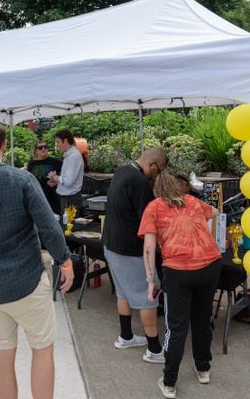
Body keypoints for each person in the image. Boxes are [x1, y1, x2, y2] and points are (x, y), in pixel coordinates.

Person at [0, 120, 75, 399]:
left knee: (2, 354)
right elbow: (49, 227)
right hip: (28, 280)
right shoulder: (21, 180)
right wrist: (65, 261)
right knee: (42, 349)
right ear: (4, 145)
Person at [139, 172, 222, 397]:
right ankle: (203, 369)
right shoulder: (193, 201)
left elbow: (148, 248)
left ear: (156, 190)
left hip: (178, 270)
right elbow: (215, 211)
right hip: (210, 264)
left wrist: (149, 281)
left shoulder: (154, 207)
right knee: (202, 320)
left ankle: (169, 382)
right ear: (178, 188)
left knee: (176, 328)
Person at [101, 147, 168, 364]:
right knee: (148, 296)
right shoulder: (139, 182)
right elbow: (148, 221)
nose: (155, 177)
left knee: (123, 292)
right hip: (129, 249)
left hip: (110, 244)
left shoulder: (121, 171)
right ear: (153, 165)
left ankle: (126, 336)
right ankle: (154, 349)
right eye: (157, 173)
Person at [47, 129, 84, 213]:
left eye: (58, 142)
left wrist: (55, 177)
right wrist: (58, 182)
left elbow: (68, 181)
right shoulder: (70, 155)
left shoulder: (73, 156)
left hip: (70, 200)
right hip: (68, 199)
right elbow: (68, 180)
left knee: (69, 225)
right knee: (67, 225)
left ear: (66, 141)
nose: (57, 145)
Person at [26, 141, 62, 214]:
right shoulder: (31, 164)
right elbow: (30, 181)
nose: (43, 149)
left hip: (53, 198)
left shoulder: (55, 162)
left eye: (45, 147)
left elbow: (67, 173)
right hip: (38, 197)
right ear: (36, 151)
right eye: (40, 148)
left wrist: (58, 180)